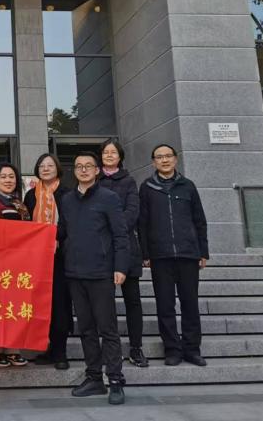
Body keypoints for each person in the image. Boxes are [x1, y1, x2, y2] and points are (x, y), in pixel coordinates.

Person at [58, 151, 129, 405]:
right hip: (75, 273)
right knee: (86, 329)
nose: (84, 170)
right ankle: (94, 378)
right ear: (74, 171)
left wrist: (120, 267)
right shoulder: (67, 200)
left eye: (89, 166)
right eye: (79, 166)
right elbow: (62, 232)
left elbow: (120, 235)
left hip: (101, 273)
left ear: (97, 170)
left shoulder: (109, 198)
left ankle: (116, 380)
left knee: (107, 329)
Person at [139, 144, 209, 367]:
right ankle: (172, 349)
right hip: (160, 256)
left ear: (175, 159)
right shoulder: (147, 188)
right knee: (165, 305)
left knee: (190, 304)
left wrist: (203, 251)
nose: (164, 160)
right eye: (159, 157)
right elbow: (142, 223)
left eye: (168, 156)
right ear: (154, 162)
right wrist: (145, 253)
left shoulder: (188, 186)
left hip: (188, 254)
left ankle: (192, 349)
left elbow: (199, 220)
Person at [98, 139, 147, 368]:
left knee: (133, 301)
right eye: (105, 152)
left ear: (120, 157)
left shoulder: (129, 181)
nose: (109, 155)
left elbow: (132, 212)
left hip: (127, 248)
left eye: (113, 152)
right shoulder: (94, 180)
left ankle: (136, 348)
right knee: (105, 303)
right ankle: (110, 349)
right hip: (101, 250)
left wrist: (113, 229)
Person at [23, 153, 72, 370]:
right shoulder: (30, 195)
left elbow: (70, 224)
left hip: (60, 257)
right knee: (41, 305)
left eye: (50, 165)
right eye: (42, 165)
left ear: (57, 168)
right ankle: (47, 348)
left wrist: (50, 236)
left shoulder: (67, 193)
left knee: (60, 305)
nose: (45, 168)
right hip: (36, 258)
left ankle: (61, 352)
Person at [0, 162, 30, 368]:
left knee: (13, 308)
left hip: (18, 264)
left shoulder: (18, 202)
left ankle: (12, 349)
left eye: (11, 177)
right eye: (3, 177)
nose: (8, 180)